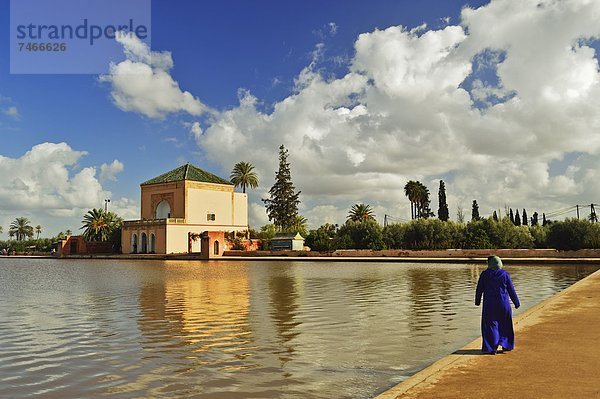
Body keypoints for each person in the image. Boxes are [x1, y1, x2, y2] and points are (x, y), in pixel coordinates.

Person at [475, 255, 520, 354]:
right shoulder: (504, 274)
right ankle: (506, 345)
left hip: (490, 305)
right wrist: (516, 302)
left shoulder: (484, 274)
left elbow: (479, 290)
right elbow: (511, 290)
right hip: (503, 304)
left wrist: (477, 301)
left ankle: (491, 348)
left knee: (491, 325)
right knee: (505, 324)